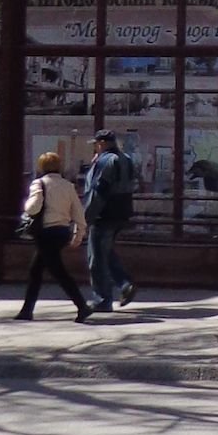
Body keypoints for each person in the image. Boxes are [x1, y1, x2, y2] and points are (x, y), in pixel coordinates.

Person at [16, 150, 93, 323]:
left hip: (45, 233)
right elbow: (79, 213)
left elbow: (32, 208)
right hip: (61, 233)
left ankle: (82, 306)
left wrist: (26, 205)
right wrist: (78, 234)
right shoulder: (68, 186)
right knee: (36, 270)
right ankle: (27, 310)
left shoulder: (39, 184)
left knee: (58, 272)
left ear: (41, 166)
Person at [82, 130, 138, 313]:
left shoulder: (105, 161)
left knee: (96, 258)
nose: (96, 147)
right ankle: (125, 284)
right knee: (106, 252)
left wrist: (86, 217)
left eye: (97, 144)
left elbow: (99, 192)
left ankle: (103, 299)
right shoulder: (126, 159)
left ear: (103, 143)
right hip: (121, 214)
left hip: (103, 215)